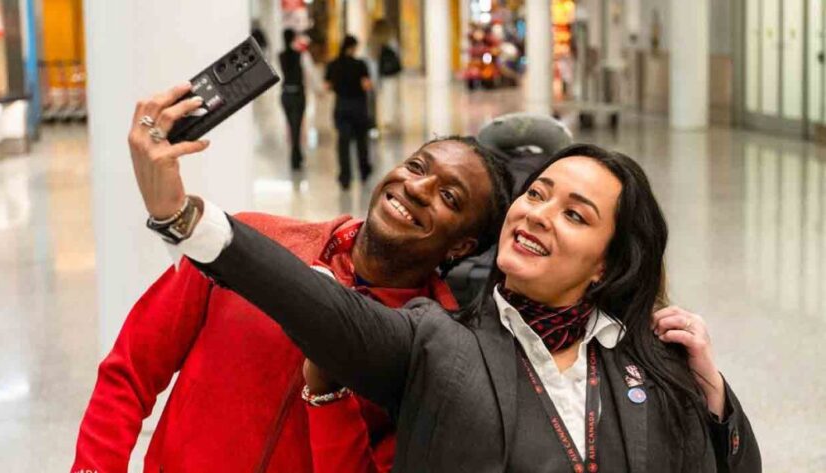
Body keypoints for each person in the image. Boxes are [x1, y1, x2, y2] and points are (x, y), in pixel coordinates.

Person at [128, 104, 761, 470]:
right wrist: (182, 215)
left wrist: (712, 395)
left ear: (605, 264)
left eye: (575, 213)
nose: (539, 212)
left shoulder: (646, 364)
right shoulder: (436, 339)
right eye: (536, 194)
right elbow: (311, 300)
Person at [71, 82, 513, 473]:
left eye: (449, 196)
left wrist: (329, 391)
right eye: (417, 167)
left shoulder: (435, 351)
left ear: (462, 247)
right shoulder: (250, 245)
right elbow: (130, 370)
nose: (417, 187)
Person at [325, 35, 373, 190]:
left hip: (342, 106)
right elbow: (366, 85)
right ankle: (364, 172)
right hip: (358, 107)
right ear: (352, 47)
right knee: (361, 142)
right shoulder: (360, 64)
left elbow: (327, 86)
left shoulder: (333, 65)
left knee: (343, 143)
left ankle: (345, 177)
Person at [279, 29, 307, 170]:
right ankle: (295, 158)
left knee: (292, 126)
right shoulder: (299, 55)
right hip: (297, 94)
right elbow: (307, 73)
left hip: (286, 95)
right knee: (296, 127)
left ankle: (297, 155)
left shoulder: (281, 56)